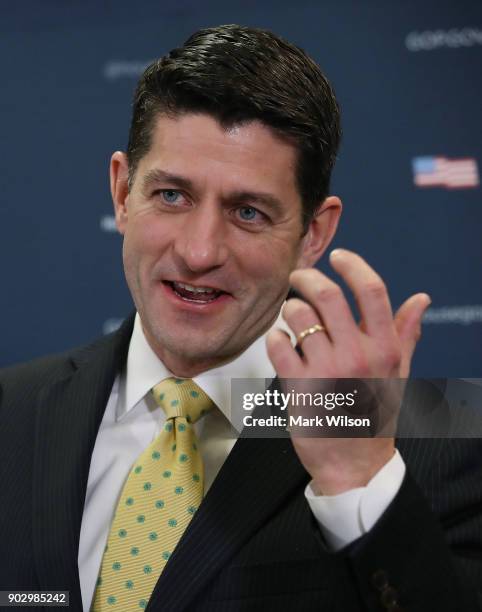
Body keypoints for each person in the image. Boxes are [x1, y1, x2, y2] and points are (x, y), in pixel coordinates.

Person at [0, 24, 480, 612]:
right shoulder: (12, 410)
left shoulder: (436, 442)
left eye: (248, 212)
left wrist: (358, 483)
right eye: (172, 195)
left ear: (314, 233)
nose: (200, 252)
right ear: (123, 193)